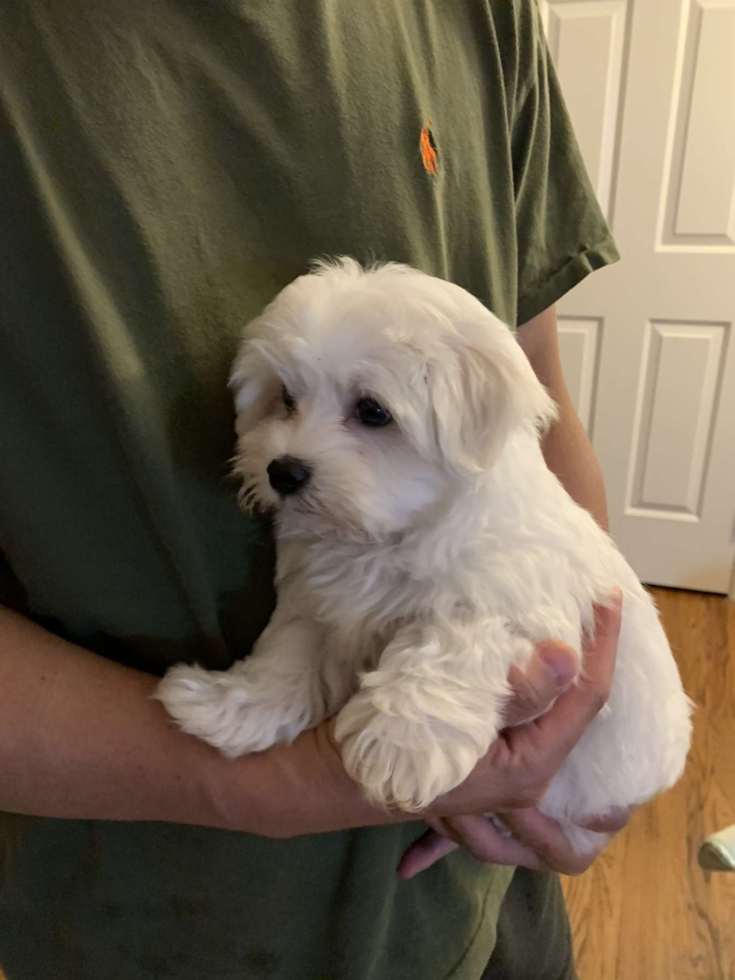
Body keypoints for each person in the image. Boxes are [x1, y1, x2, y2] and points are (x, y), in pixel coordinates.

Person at [0, 1, 628, 977]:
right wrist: (256, 779)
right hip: (157, 923)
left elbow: (537, 395)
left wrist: (580, 716)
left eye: (367, 414)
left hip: (492, 875)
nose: (296, 448)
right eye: (285, 402)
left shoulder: (483, 14)